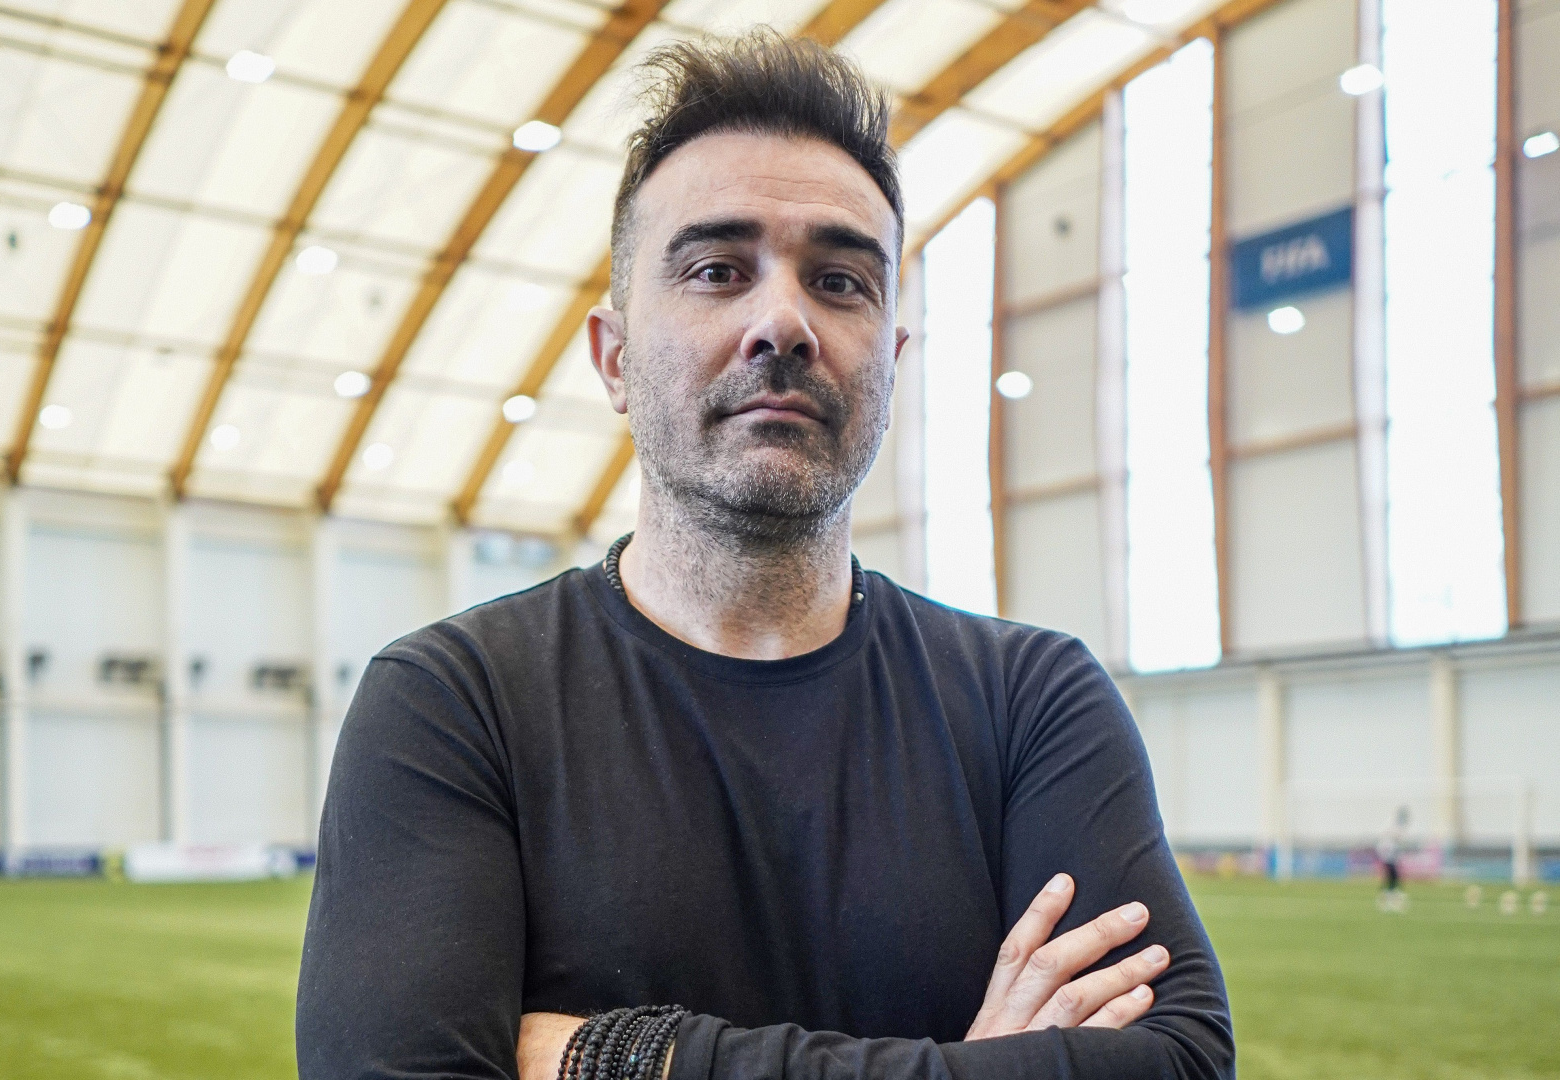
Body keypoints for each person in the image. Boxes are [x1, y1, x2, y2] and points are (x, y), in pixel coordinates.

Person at [295, 30, 1232, 1080]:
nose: (782, 321)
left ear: (890, 362)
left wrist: (622, 1056)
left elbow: (1179, 1061)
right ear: (614, 358)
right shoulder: (454, 703)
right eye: (716, 271)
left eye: (839, 281)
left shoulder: (1030, 701)